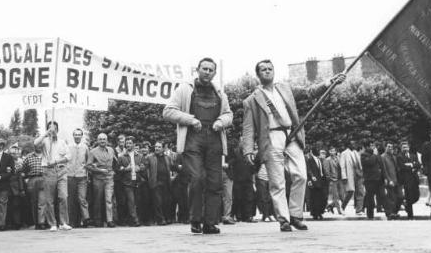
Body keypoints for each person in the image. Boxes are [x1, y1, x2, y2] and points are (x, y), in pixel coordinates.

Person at [241, 59, 345, 232]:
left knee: (301, 176)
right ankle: (284, 219)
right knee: (277, 182)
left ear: (274, 71)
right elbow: (248, 128)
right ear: (258, 75)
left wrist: (329, 82)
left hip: (292, 134)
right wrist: (248, 150)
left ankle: (296, 215)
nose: (267, 71)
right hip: (271, 139)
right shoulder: (251, 101)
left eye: (270, 69)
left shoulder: (285, 88)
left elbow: (309, 92)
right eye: (263, 70)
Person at [163, 57, 233, 234]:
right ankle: (195, 220)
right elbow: (168, 111)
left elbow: (229, 114)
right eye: (204, 69)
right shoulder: (185, 89)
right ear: (198, 69)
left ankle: (210, 223)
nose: (207, 72)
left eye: (211, 70)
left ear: (214, 73)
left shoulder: (220, 93)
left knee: (215, 183)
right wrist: (190, 119)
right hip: (193, 140)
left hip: (214, 141)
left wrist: (221, 121)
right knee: (196, 179)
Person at [86, 133, 117, 227]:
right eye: (100, 139)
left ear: (107, 140)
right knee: (98, 200)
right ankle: (98, 220)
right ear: (97, 141)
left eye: (104, 139)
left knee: (109, 199)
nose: (102, 141)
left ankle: (109, 220)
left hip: (109, 178)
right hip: (98, 178)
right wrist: (99, 170)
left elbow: (116, 162)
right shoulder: (92, 152)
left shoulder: (111, 150)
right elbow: (88, 166)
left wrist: (114, 171)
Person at [67, 128, 91, 228]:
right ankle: (72, 221)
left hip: (82, 176)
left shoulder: (85, 147)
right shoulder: (68, 147)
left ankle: (85, 219)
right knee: (71, 199)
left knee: (82, 198)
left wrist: (87, 175)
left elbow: (88, 162)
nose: (77, 136)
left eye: (79, 134)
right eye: (75, 134)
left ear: (81, 136)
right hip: (70, 175)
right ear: (73, 136)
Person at [19, 142, 46, 229]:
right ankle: (36, 223)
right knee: (34, 202)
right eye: (37, 145)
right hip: (32, 179)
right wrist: (25, 178)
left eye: (40, 145)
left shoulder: (46, 155)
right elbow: (22, 170)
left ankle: (42, 222)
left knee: (42, 201)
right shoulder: (29, 157)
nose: (39, 147)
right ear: (34, 146)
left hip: (44, 178)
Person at [117, 136, 142, 226]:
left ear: (134, 144)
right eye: (127, 143)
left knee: (137, 201)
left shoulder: (139, 155)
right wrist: (125, 169)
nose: (128, 145)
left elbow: (143, 165)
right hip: (127, 182)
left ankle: (133, 219)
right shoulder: (121, 156)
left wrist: (140, 167)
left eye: (130, 143)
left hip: (137, 181)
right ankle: (135, 220)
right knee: (131, 201)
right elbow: (118, 169)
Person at [147, 141, 173, 226]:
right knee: (158, 202)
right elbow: (146, 169)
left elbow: (171, 167)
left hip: (166, 182)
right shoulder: (150, 157)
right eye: (156, 147)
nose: (157, 148)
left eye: (159, 147)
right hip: (156, 182)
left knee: (166, 201)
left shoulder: (167, 157)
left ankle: (166, 218)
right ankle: (160, 219)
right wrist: (149, 179)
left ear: (163, 148)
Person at [396, 141, 420, 219]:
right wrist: (412, 166)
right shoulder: (399, 156)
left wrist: (411, 165)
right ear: (401, 148)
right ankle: (410, 215)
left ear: (409, 147)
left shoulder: (413, 155)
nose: (405, 149)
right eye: (403, 147)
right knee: (409, 196)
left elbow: (418, 165)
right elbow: (402, 167)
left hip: (414, 178)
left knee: (416, 196)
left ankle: (406, 204)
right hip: (406, 179)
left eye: (406, 147)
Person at [340, 140, 365, 215]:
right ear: (348, 145)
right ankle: (342, 207)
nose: (354, 145)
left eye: (354, 144)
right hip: (350, 174)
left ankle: (358, 210)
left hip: (358, 174)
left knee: (360, 191)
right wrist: (344, 176)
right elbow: (343, 166)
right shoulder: (344, 153)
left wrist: (361, 172)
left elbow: (359, 163)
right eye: (352, 144)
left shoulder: (355, 153)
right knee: (350, 191)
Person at [361, 142, 383, 220]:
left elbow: (381, 163)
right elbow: (370, 162)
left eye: (373, 146)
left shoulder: (376, 155)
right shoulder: (364, 155)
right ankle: (370, 214)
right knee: (370, 198)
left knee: (381, 195)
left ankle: (383, 210)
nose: (373, 147)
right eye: (371, 145)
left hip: (378, 179)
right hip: (369, 179)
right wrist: (374, 155)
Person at [380, 142, 401, 219]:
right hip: (389, 180)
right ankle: (390, 213)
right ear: (385, 147)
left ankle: (394, 212)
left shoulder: (394, 156)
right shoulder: (383, 157)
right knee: (390, 197)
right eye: (388, 146)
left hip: (396, 179)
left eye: (391, 147)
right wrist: (388, 179)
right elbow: (384, 170)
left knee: (399, 197)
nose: (390, 148)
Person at [306, 147, 327, 220]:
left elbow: (321, 170)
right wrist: (311, 178)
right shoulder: (310, 160)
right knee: (314, 198)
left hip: (321, 180)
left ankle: (320, 212)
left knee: (321, 198)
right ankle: (315, 213)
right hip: (314, 181)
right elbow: (308, 170)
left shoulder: (319, 160)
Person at [323, 146, 343, 215]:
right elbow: (326, 172)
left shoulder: (338, 158)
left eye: (334, 151)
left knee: (342, 195)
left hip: (339, 179)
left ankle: (330, 206)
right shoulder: (327, 160)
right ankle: (339, 210)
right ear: (329, 152)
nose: (333, 152)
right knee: (336, 196)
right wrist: (331, 178)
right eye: (331, 151)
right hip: (333, 180)